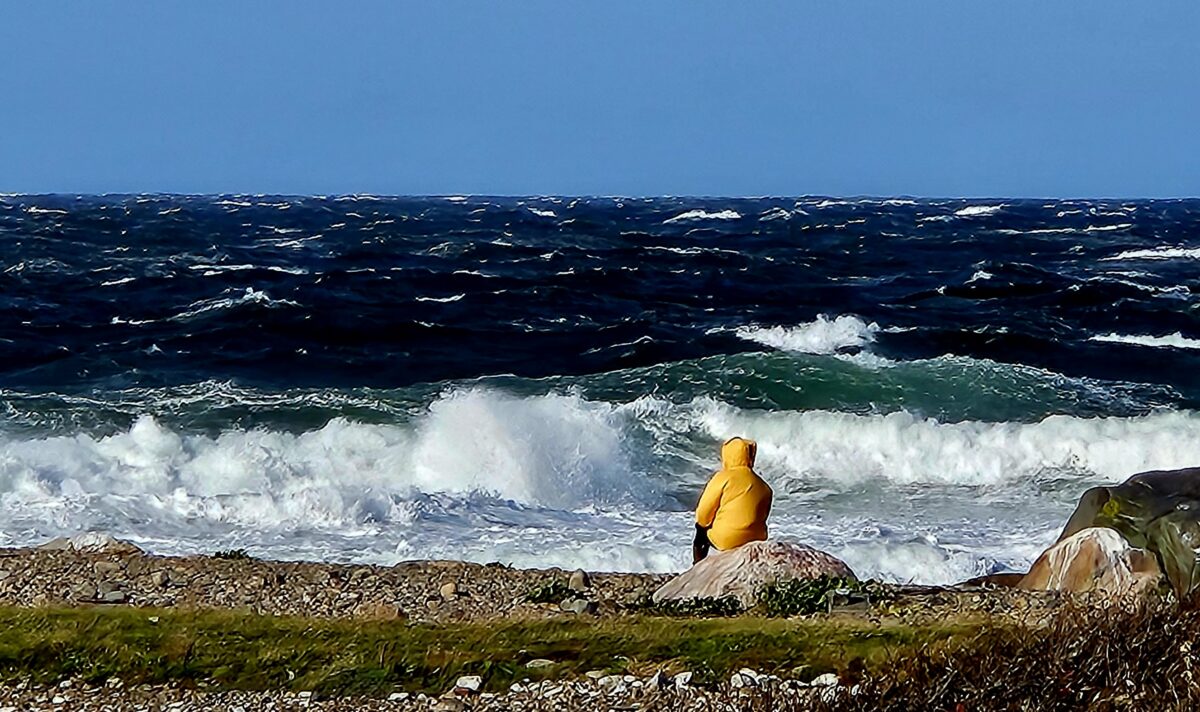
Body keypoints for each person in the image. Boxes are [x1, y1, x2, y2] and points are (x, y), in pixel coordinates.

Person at [692, 437, 773, 563]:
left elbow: (704, 511)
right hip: (756, 539)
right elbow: (763, 516)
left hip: (727, 539)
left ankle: (697, 567)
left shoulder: (723, 477)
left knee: (700, 532)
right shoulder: (764, 486)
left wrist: (702, 525)